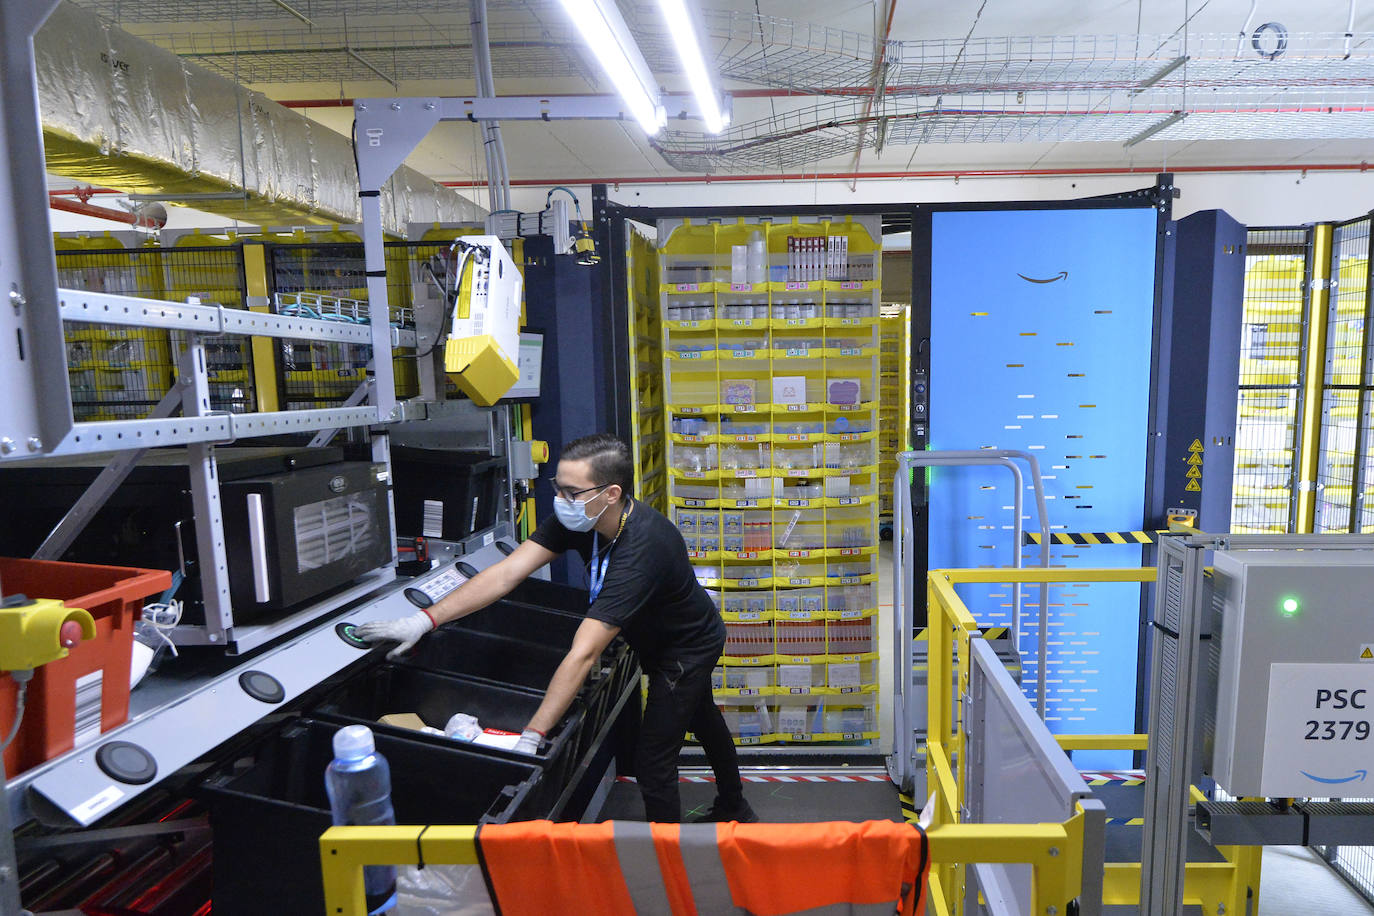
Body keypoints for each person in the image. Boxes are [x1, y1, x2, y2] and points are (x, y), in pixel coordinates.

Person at [356, 433, 756, 824]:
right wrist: (423, 619)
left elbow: (584, 652)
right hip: (653, 637)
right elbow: (506, 573)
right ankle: (735, 805)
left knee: (652, 763)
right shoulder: (582, 518)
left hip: (686, 648)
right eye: (558, 487)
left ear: (611, 493)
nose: (561, 500)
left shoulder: (642, 547)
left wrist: (532, 735)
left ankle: (669, 866)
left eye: (572, 492)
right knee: (702, 717)